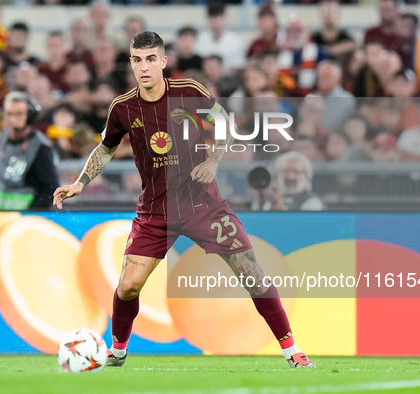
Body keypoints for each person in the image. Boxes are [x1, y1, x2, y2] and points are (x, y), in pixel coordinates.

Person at [53, 31, 315, 369]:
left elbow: (224, 124)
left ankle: (291, 350)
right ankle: (117, 350)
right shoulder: (122, 108)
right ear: (131, 63)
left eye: (150, 59)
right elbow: (105, 149)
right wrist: (81, 182)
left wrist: (214, 160)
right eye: (137, 60)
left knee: (251, 273)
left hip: (203, 204)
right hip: (155, 210)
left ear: (163, 62)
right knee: (129, 286)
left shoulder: (189, 92)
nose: (144, 67)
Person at [0, 91, 59, 210]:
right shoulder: (1, 138)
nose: (13, 119)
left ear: (30, 116)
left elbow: (51, 189)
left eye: (19, 114)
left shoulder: (40, 148)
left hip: (24, 218)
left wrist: (31, 212)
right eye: (9, 114)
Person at [252, 151, 325, 211]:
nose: (290, 177)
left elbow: (300, 227)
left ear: (307, 175)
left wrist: (277, 206)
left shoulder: (312, 202)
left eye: (296, 172)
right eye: (286, 171)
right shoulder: (270, 199)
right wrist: (259, 198)